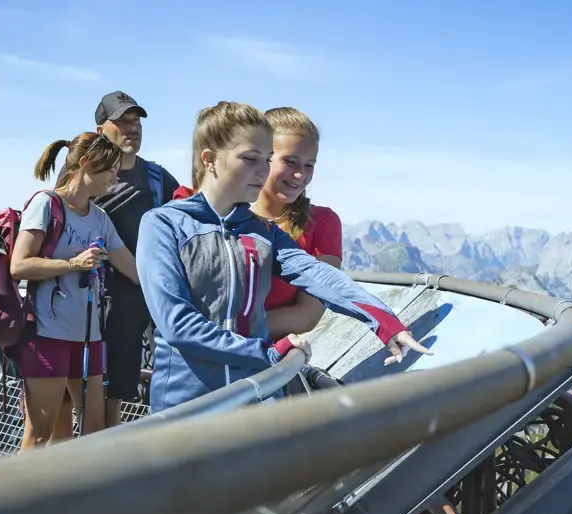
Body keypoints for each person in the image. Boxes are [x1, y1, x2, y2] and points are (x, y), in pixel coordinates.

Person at [135, 101, 431, 413]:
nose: (262, 171)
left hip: (257, 401)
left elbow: (318, 275)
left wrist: (385, 322)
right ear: (210, 160)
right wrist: (269, 354)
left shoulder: (262, 232)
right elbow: (176, 325)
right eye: (250, 159)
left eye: (265, 159)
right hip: (186, 407)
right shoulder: (163, 225)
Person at [11, 132, 140, 447]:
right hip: (47, 335)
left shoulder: (100, 218)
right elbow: (19, 265)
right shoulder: (46, 204)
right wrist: (72, 264)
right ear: (85, 164)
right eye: (109, 170)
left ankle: (65, 496)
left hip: (88, 339)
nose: (115, 177)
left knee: (92, 431)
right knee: (40, 435)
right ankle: (22, 495)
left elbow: (134, 270)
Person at [89, 91, 184, 427]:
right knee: (92, 385)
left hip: (147, 300)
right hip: (95, 299)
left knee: (122, 385)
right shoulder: (87, 178)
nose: (133, 128)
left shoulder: (158, 179)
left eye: (137, 121)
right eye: (123, 121)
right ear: (102, 130)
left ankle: (114, 456)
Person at [250, 107, 341, 340]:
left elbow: (306, 315)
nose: (301, 175)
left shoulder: (322, 223)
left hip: (269, 364)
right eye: (290, 161)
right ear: (262, 155)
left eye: (309, 164)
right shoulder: (225, 214)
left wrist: (226, 332)